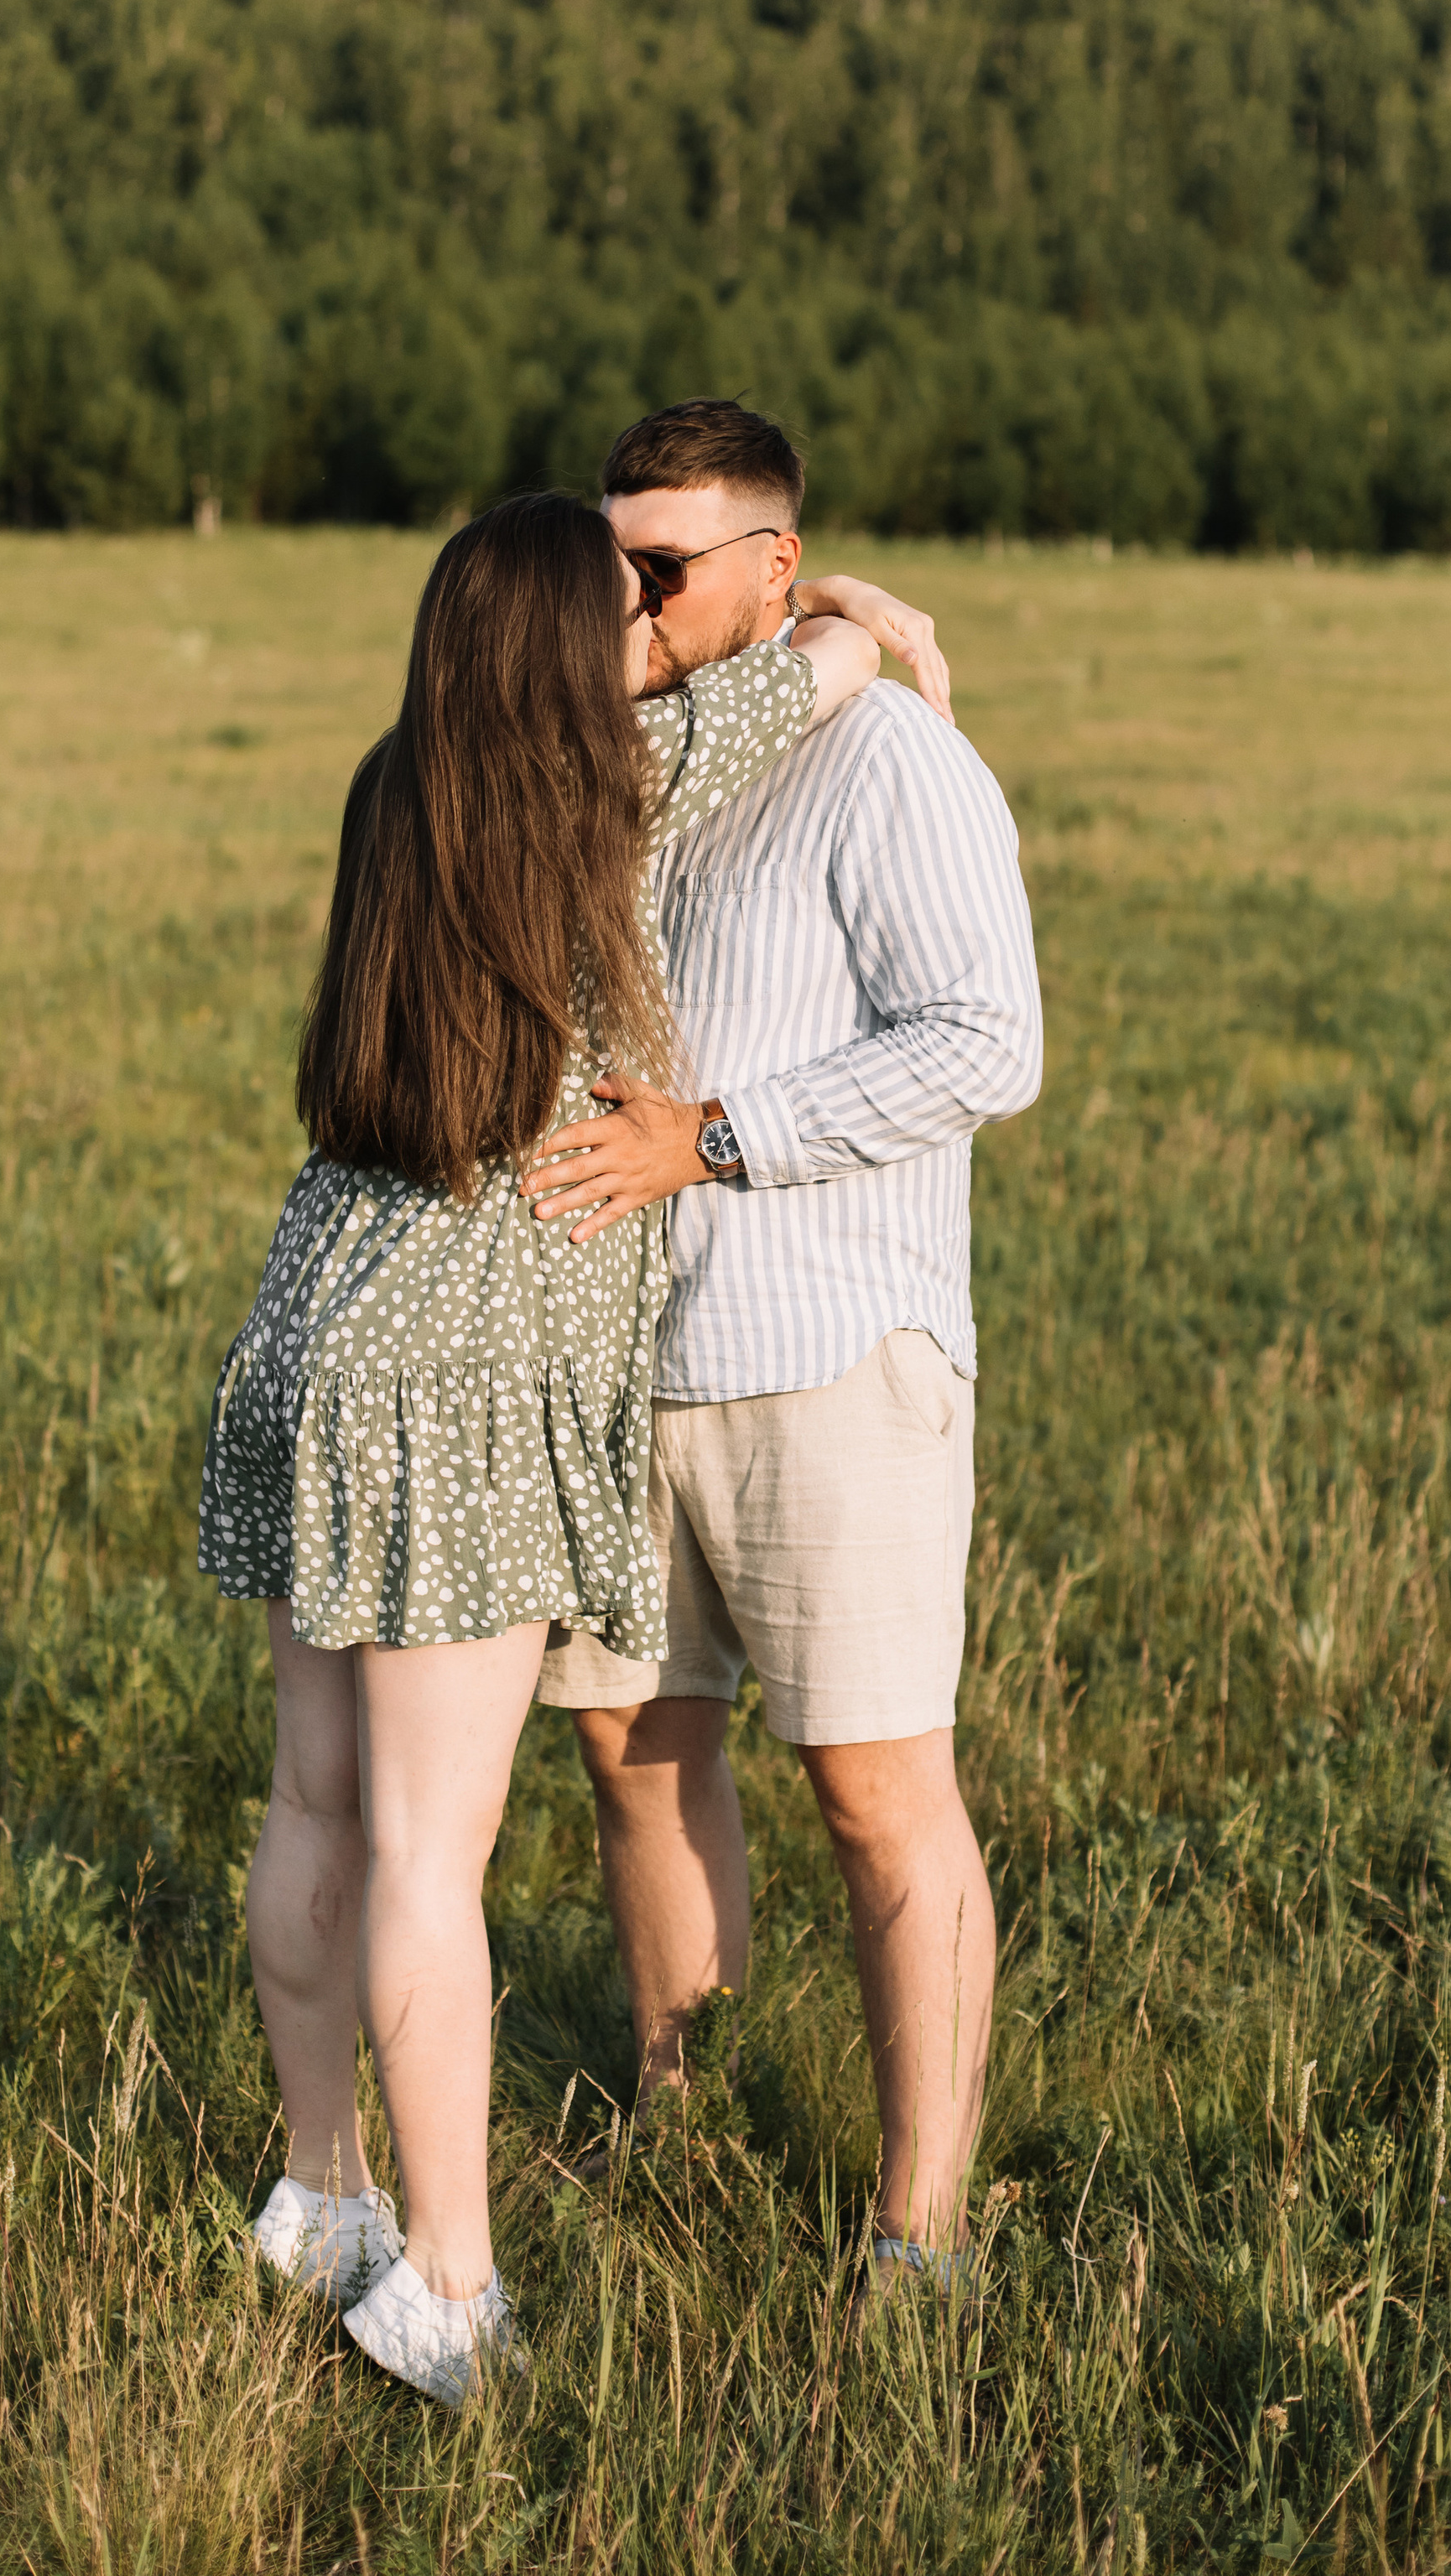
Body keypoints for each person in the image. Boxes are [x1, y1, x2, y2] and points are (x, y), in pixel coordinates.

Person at [197, 491, 927, 2403]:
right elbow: (822, 665)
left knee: (314, 1802)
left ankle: (320, 2193)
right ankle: (447, 2288)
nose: (651, 624)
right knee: (431, 1850)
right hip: (458, 1353)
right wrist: (852, 607)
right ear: (559, 649)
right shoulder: (602, 785)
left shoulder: (395, 786)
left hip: (321, 1300)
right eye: (627, 601)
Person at [523, 401, 1043, 2291]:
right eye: (606, 565)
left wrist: (717, 1137)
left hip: (826, 1342)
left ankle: (920, 2230)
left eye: (661, 569)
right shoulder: (601, 760)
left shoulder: (887, 761)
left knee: (873, 1783)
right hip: (608, 1354)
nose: (627, 602)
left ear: (771, 565)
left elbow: (987, 1042)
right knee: (631, 1746)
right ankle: (691, 2133)